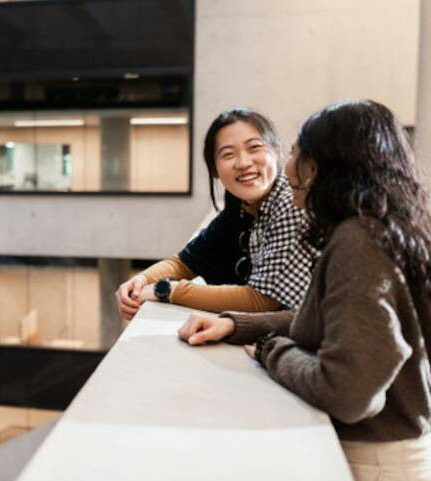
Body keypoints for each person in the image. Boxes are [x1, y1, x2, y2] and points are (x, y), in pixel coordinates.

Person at [179, 99, 431, 481]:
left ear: (329, 165)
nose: (288, 165)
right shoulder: (379, 227)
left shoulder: (358, 242)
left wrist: (270, 351)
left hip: (377, 460)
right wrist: (239, 326)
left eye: (297, 149)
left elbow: (348, 391)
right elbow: (340, 321)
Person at [115, 108, 317, 319]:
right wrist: (139, 281)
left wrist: (166, 290)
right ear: (214, 170)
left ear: (277, 152)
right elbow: (185, 262)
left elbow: (261, 300)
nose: (243, 163)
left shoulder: (292, 203)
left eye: (254, 148)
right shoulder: (241, 205)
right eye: (228, 154)